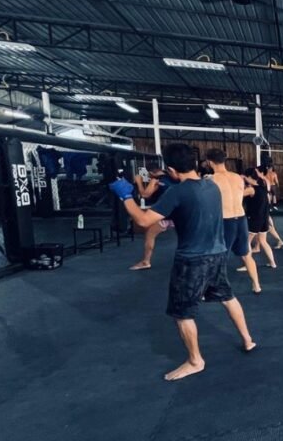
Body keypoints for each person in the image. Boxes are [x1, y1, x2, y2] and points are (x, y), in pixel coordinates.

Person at [109, 144, 255, 381]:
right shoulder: (212, 186)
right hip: (218, 253)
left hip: (192, 260)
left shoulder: (177, 193)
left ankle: (195, 360)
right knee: (227, 297)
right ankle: (248, 340)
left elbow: (144, 221)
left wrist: (126, 196)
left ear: (171, 169)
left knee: (182, 313)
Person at [206, 149, 261, 294]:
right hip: (241, 219)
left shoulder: (211, 180)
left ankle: (215, 289)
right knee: (246, 254)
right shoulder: (237, 177)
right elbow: (238, 195)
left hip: (226, 221)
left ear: (209, 162)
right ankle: (256, 285)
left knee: (219, 257)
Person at [129, 167, 175, 270]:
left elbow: (145, 194)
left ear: (151, 173)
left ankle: (146, 261)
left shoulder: (156, 180)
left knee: (150, 235)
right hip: (178, 214)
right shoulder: (174, 178)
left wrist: (139, 182)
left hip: (163, 216)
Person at [244, 167, 277, 268]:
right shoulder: (262, 187)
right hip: (264, 218)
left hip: (255, 219)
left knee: (246, 242)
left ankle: (248, 265)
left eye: (246, 177)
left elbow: (236, 195)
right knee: (263, 241)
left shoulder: (251, 189)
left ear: (249, 177)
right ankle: (273, 263)